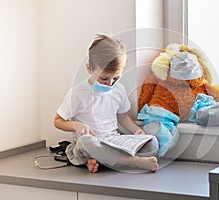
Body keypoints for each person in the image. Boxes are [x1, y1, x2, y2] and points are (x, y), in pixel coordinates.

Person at [54, 34, 158, 173]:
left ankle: (99, 161)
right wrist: (77, 125)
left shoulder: (119, 90)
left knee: (153, 143)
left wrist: (138, 132)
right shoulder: (77, 93)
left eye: (116, 78)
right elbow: (58, 121)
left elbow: (123, 117)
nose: (110, 84)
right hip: (87, 144)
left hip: (113, 142)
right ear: (89, 69)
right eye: (104, 78)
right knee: (87, 142)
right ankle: (133, 162)